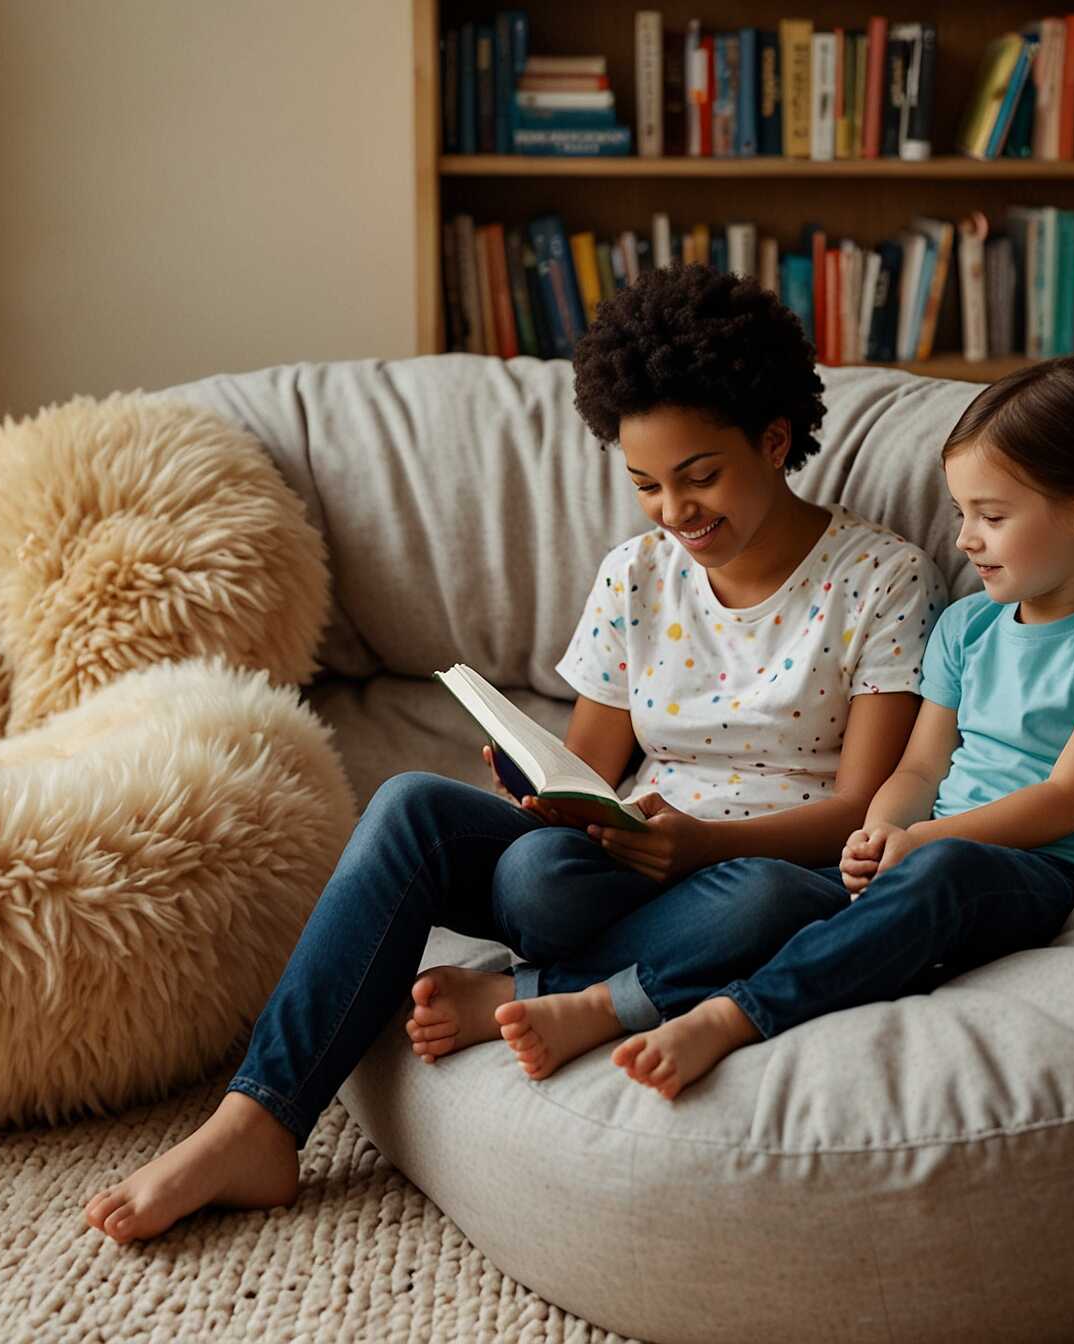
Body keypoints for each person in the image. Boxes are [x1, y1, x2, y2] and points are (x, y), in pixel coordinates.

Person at [83, 263, 946, 1243]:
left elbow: (864, 808)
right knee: (462, 832)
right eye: (645, 484)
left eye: (700, 476)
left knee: (774, 904)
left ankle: (528, 990)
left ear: (775, 439)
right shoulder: (638, 578)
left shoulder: (878, 578)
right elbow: (588, 763)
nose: (674, 510)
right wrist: (547, 791)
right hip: (618, 870)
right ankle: (258, 1118)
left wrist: (702, 845)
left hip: (756, 871)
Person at [502, 355, 1074, 1101]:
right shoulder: (969, 627)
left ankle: (719, 1015)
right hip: (924, 856)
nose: (964, 540)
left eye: (991, 518)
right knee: (785, 901)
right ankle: (601, 998)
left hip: (1039, 872)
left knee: (940, 875)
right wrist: (880, 832)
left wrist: (926, 841)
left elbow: (1067, 800)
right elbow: (920, 768)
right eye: (961, 513)